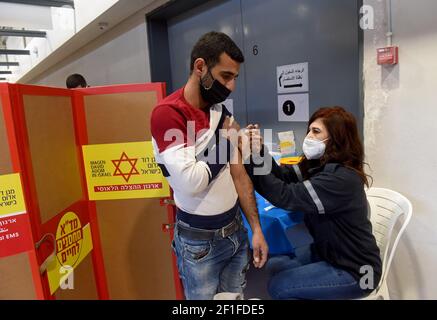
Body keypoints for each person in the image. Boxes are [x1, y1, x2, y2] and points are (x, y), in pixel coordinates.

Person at [150, 31, 268, 300]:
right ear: (200, 66)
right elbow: (192, 182)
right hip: (199, 244)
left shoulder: (219, 110)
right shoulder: (168, 114)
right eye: (226, 76)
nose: (231, 86)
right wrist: (228, 143)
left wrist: (256, 229)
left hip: (235, 232)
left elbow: (239, 171)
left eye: (235, 78)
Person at [246, 106, 382, 299]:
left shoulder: (341, 179)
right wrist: (259, 152)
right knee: (277, 265)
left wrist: (249, 159)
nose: (308, 136)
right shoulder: (319, 165)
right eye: (309, 129)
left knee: (280, 287)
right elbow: (284, 177)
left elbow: (283, 195)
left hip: (359, 272)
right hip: (329, 254)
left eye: (316, 131)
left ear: (337, 138)